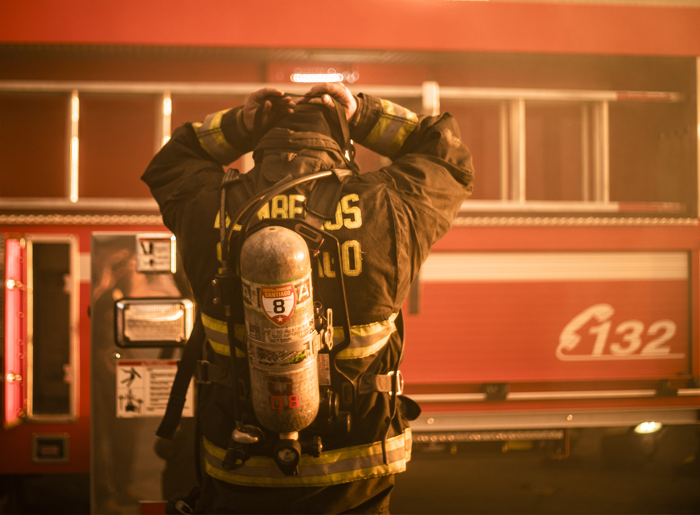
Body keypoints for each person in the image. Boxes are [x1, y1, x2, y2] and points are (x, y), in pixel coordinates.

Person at [142, 83, 473, 513]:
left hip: (238, 464)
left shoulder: (209, 204)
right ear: (344, 148)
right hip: (358, 475)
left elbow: (170, 161)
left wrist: (239, 124)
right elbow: (448, 155)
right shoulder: (388, 203)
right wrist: (364, 114)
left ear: (259, 149)